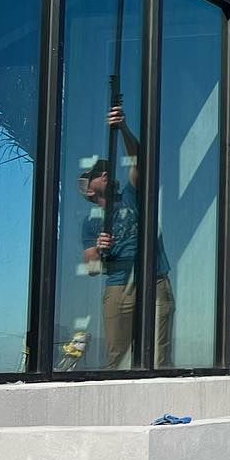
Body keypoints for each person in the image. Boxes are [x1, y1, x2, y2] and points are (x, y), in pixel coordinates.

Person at [79, 103, 174, 367]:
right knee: (116, 359)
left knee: (158, 357)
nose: (106, 173)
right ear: (88, 190)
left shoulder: (132, 198)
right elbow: (91, 267)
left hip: (154, 280)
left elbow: (139, 159)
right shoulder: (90, 223)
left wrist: (122, 128)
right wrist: (98, 249)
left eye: (107, 170)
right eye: (98, 173)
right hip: (118, 287)